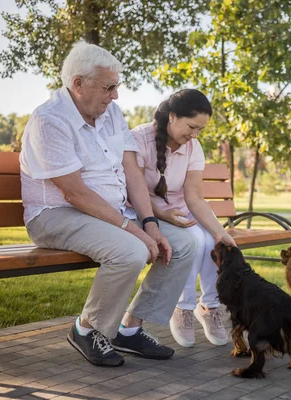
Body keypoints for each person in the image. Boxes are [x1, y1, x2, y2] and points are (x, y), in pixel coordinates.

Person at [19, 41, 197, 367]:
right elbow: (74, 193)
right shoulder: (50, 121)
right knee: (130, 251)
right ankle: (87, 329)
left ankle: (129, 330)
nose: (115, 96)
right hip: (57, 215)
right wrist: (134, 231)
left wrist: (150, 223)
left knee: (183, 244)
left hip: (110, 212)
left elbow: (131, 170)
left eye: (117, 86)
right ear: (78, 84)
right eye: (109, 87)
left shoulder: (110, 112)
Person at [131, 89, 237, 348]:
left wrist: (220, 232)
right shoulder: (139, 139)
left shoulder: (193, 147)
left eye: (200, 130)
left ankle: (209, 306)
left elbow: (194, 198)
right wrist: (162, 214)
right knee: (194, 241)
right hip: (150, 213)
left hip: (182, 210)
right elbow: (132, 192)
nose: (195, 135)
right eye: (192, 127)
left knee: (214, 241)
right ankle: (184, 306)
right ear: (173, 116)